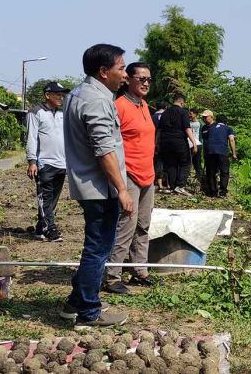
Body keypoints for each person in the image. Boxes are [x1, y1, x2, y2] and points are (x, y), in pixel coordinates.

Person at [59, 43, 132, 330]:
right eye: (121, 68)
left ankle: (74, 303)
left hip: (90, 185)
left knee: (96, 246)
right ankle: (89, 313)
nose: (124, 74)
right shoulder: (96, 100)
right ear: (104, 72)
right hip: (100, 188)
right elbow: (104, 150)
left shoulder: (79, 93)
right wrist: (122, 190)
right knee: (98, 249)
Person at [105, 62, 156, 294]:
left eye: (149, 79)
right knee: (126, 226)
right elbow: (110, 145)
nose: (146, 83)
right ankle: (112, 275)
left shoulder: (144, 106)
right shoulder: (119, 106)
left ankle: (139, 270)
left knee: (143, 226)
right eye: (141, 78)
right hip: (129, 176)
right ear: (128, 80)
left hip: (148, 175)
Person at [25, 81, 70, 242]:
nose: (61, 97)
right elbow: (31, 138)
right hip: (44, 163)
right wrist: (32, 161)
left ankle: (40, 228)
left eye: (62, 94)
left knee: (52, 199)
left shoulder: (62, 113)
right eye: (57, 94)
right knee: (45, 197)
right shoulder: (35, 112)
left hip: (61, 163)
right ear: (47, 95)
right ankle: (50, 229)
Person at [157, 94, 197, 196]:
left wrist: (156, 143)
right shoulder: (183, 112)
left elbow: (159, 130)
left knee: (171, 165)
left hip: (165, 142)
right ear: (182, 102)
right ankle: (180, 185)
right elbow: (187, 129)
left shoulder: (165, 113)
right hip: (179, 142)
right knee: (186, 163)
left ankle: (174, 187)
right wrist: (194, 143)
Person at [204, 114, 237, 197]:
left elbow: (206, 139)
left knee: (211, 172)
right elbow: (231, 139)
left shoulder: (210, 128)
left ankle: (212, 192)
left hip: (210, 152)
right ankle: (222, 191)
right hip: (222, 151)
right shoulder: (228, 128)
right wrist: (234, 153)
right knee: (224, 171)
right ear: (225, 121)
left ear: (216, 120)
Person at [152, 101, 167, 192]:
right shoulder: (167, 115)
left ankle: (157, 182)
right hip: (166, 141)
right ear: (165, 107)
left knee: (157, 162)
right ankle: (164, 183)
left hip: (154, 141)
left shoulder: (152, 117)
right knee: (165, 162)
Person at [189, 108, 203, 180]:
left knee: (197, 160)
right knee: (189, 160)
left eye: (191, 114)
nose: (190, 115)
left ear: (195, 114)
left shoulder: (200, 123)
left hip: (198, 143)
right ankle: (188, 173)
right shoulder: (188, 122)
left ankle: (199, 175)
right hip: (189, 143)